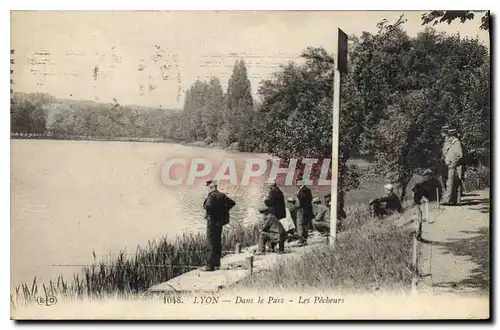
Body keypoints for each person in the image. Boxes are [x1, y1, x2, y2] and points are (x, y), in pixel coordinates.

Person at [201, 180, 236, 271]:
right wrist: (223, 211)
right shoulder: (222, 195)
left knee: (211, 243)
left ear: (211, 187)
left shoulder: (211, 196)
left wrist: (209, 213)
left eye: (208, 187)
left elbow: (208, 206)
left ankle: (209, 266)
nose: (207, 189)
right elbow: (232, 203)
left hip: (212, 222)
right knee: (217, 242)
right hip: (219, 223)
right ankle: (216, 264)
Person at [441, 127, 465, 205]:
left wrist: (453, 163)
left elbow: (459, 155)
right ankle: (456, 201)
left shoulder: (456, 143)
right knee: (456, 183)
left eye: (449, 136)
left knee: (450, 183)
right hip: (453, 165)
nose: (447, 137)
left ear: (452, 136)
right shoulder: (452, 143)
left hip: (454, 165)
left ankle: (447, 200)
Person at [296, 177, 314, 246]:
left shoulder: (302, 191)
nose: (296, 184)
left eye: (297, 182)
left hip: (302, 210)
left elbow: (302, 200)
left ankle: (301, 240)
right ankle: (304, 240)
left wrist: (298, 196)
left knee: (300, 225)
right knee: (306, 225)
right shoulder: (308, 189)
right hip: (308, 210)